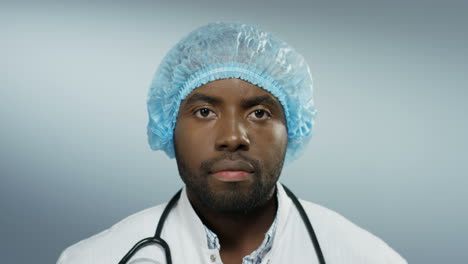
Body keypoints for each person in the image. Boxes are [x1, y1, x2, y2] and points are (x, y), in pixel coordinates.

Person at [57, 22, 407, 264]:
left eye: (258, 113)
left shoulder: (368, 258)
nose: (232, 138)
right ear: (169, 126)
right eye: (205, 111)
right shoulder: (96, 258)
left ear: (293, 127)